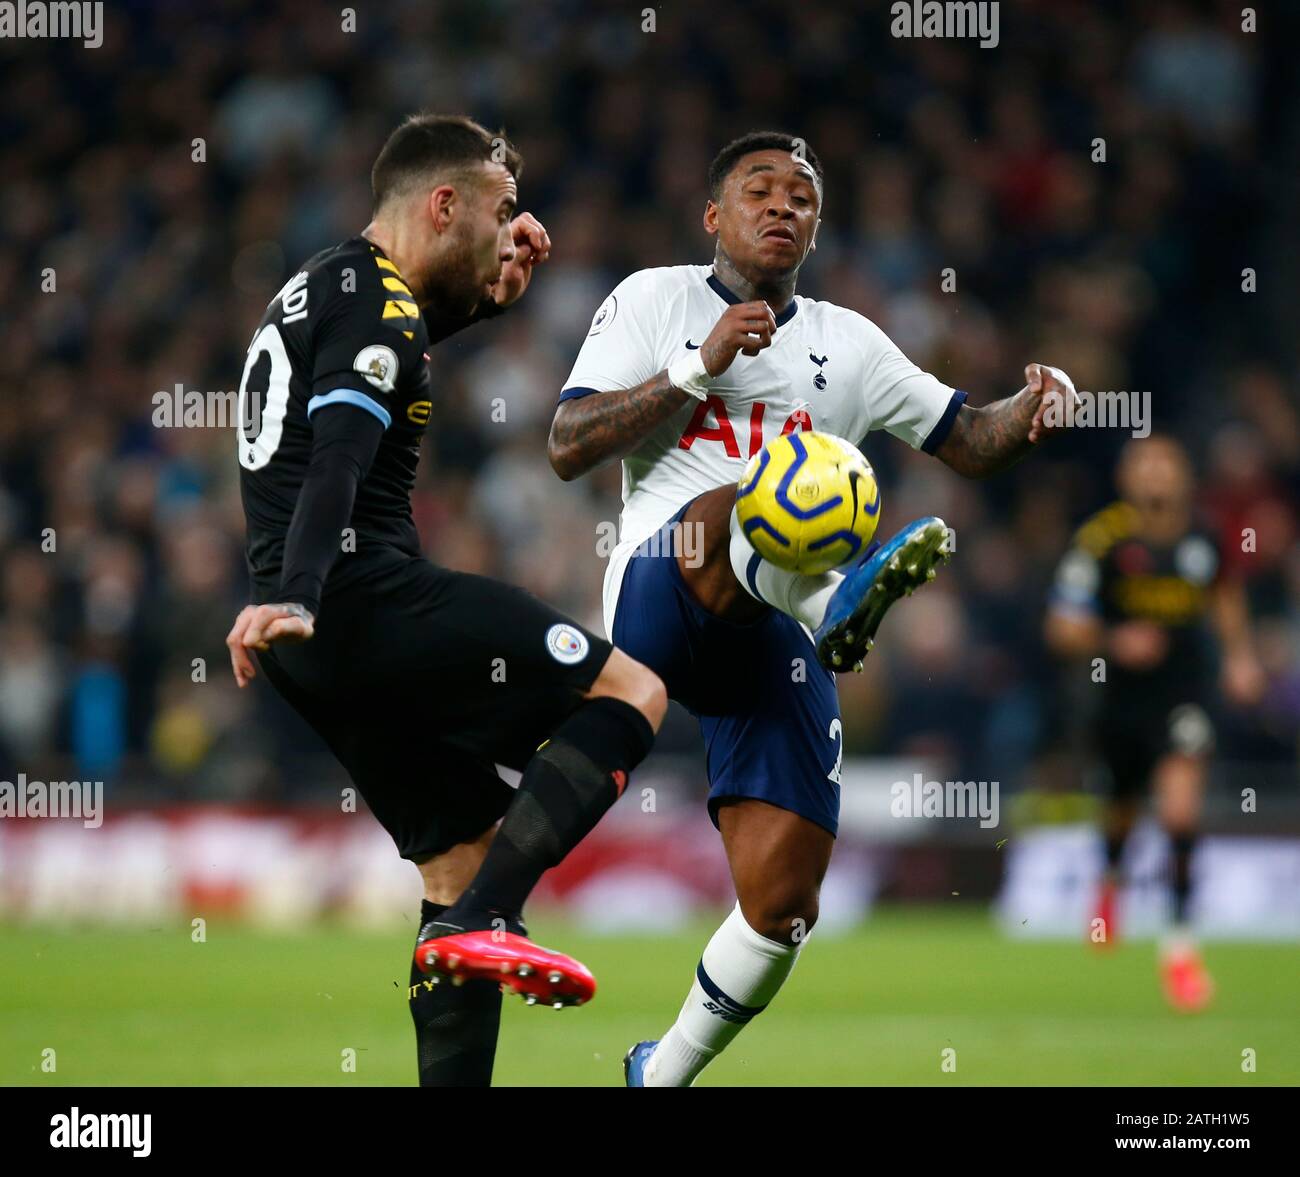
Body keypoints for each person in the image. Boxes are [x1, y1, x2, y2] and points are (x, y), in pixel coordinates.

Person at [548, 131, 1077, 1085]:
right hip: (664, 588)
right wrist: (694, 368)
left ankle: (657, 1073)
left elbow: (967, 436)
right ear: (714, 216)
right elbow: (566, 443)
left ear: (818, 227)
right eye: (761, 190)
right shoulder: (651, 299)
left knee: (783, 903)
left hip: (770, 637)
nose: (784, 205)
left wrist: (1029, 411)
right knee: (752, 491)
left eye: (803, 196)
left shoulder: (851, 341)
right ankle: (841, 595)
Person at [225, 113, 667, 1086]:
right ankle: (491, 920)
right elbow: (340, 451)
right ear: (443, 204)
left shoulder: (328, 285)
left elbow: (390, 357)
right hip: (354, 600)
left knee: (458, 851)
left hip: (307, 636)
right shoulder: (375, 309)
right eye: (500, 209)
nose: (513, 226)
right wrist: (301, 590)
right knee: (631, 692)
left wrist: (499, 294)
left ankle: (471, 925)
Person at [1046, 435, 1263, 1012]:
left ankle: (1181, 950)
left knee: (1179, 814)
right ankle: (1110, 881)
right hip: (1117, 701)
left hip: (1183, 699)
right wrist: (1115, 639)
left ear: (1185, 477)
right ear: (1127, 478)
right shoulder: (1101, 541)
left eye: (1168, 465)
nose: (1158, 477)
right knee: (1119, 812)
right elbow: (1062, 628)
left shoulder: (1205, 538)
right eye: (1147, 466)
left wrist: (1239, 658)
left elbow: (1225, 597)